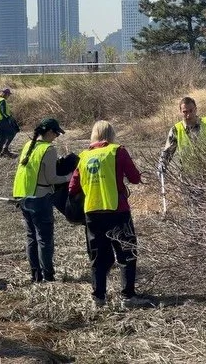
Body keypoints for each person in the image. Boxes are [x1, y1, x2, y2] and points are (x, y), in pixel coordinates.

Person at [68, 120, 149, 309]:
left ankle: (99, 298)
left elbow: (72, 188)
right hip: (116, 210)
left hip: (92, 212)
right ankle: (128, 296)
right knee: (126, 253)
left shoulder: (84, 156)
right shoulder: (117, 151)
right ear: (111, 134)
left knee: (98, 256)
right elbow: (135, 178)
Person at [12, 118, 71, 283]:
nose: (57, 137)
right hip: (39, 198)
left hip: (22, 196)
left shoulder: (27, 146)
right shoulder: (48, 149)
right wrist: (69, 177)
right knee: (44, 239)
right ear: (50, 132)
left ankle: (36, 275)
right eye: (56, 133)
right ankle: (49, 276)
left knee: (31, 236)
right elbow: (51, 178)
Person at [157, 96, 206, 175]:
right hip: (187, 177)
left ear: (196, 109)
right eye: (185, 112)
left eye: (191, 111)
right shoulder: (176, 129)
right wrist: (162, 165)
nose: (188, 115)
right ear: (180, 112)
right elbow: (168, 152)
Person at [0, 88, 18, 157]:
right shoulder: (3, 101)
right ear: (6, 94)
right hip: (2, 120)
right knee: (12, 132)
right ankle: (5, 148)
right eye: (8, 94)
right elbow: (3, 112)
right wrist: (9, 118)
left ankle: (1, 152)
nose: (9, 96)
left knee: (2, 136)